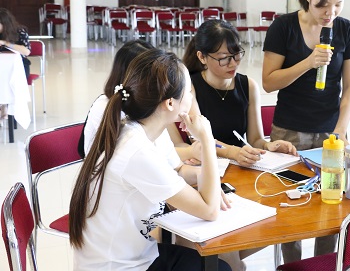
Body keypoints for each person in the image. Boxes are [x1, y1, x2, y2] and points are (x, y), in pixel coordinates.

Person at [69, 49, 231, 271]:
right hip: (119, 267)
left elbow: (177, 172)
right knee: (220, 268)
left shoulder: (138, 129)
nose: (192, 97)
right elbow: (209, 211)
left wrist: (207, 182)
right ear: (170, 103)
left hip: (135, 254)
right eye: (188, 91)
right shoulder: (136, 151)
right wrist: (207, 138)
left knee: (215, 263)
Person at [262, 0, 350, 263]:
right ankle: (291, 266)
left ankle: (323, 265)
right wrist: (308, 62)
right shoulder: (283, 27)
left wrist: (340, 130)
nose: (330, 12)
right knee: (289, 205)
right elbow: (268, 82)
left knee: (330, 202)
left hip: (331, 132)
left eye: (338, 4)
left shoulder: (346, 29)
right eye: (322, 5)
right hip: (289, 131)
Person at [179, 19, 297, 271]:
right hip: (208, 173)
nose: (233, 64)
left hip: (242, 175)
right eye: (224, 58)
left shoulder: (247, 85)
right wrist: (234, 152)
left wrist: (269, 146)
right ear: (201, 56)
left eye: (236, 55)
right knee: (225, 239)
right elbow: (198, 140)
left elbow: (255, 139)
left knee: (279, 218)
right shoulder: (191, 88)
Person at [78, 40, 202, 165]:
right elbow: (142, 156)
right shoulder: (107, 107)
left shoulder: (152, 106)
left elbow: (166, 149)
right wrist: (192, 150)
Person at [0, 8, 31, 78]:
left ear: (5, 24)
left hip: (18, 66)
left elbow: (26, 52)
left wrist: (5, 43)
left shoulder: (19, 31)